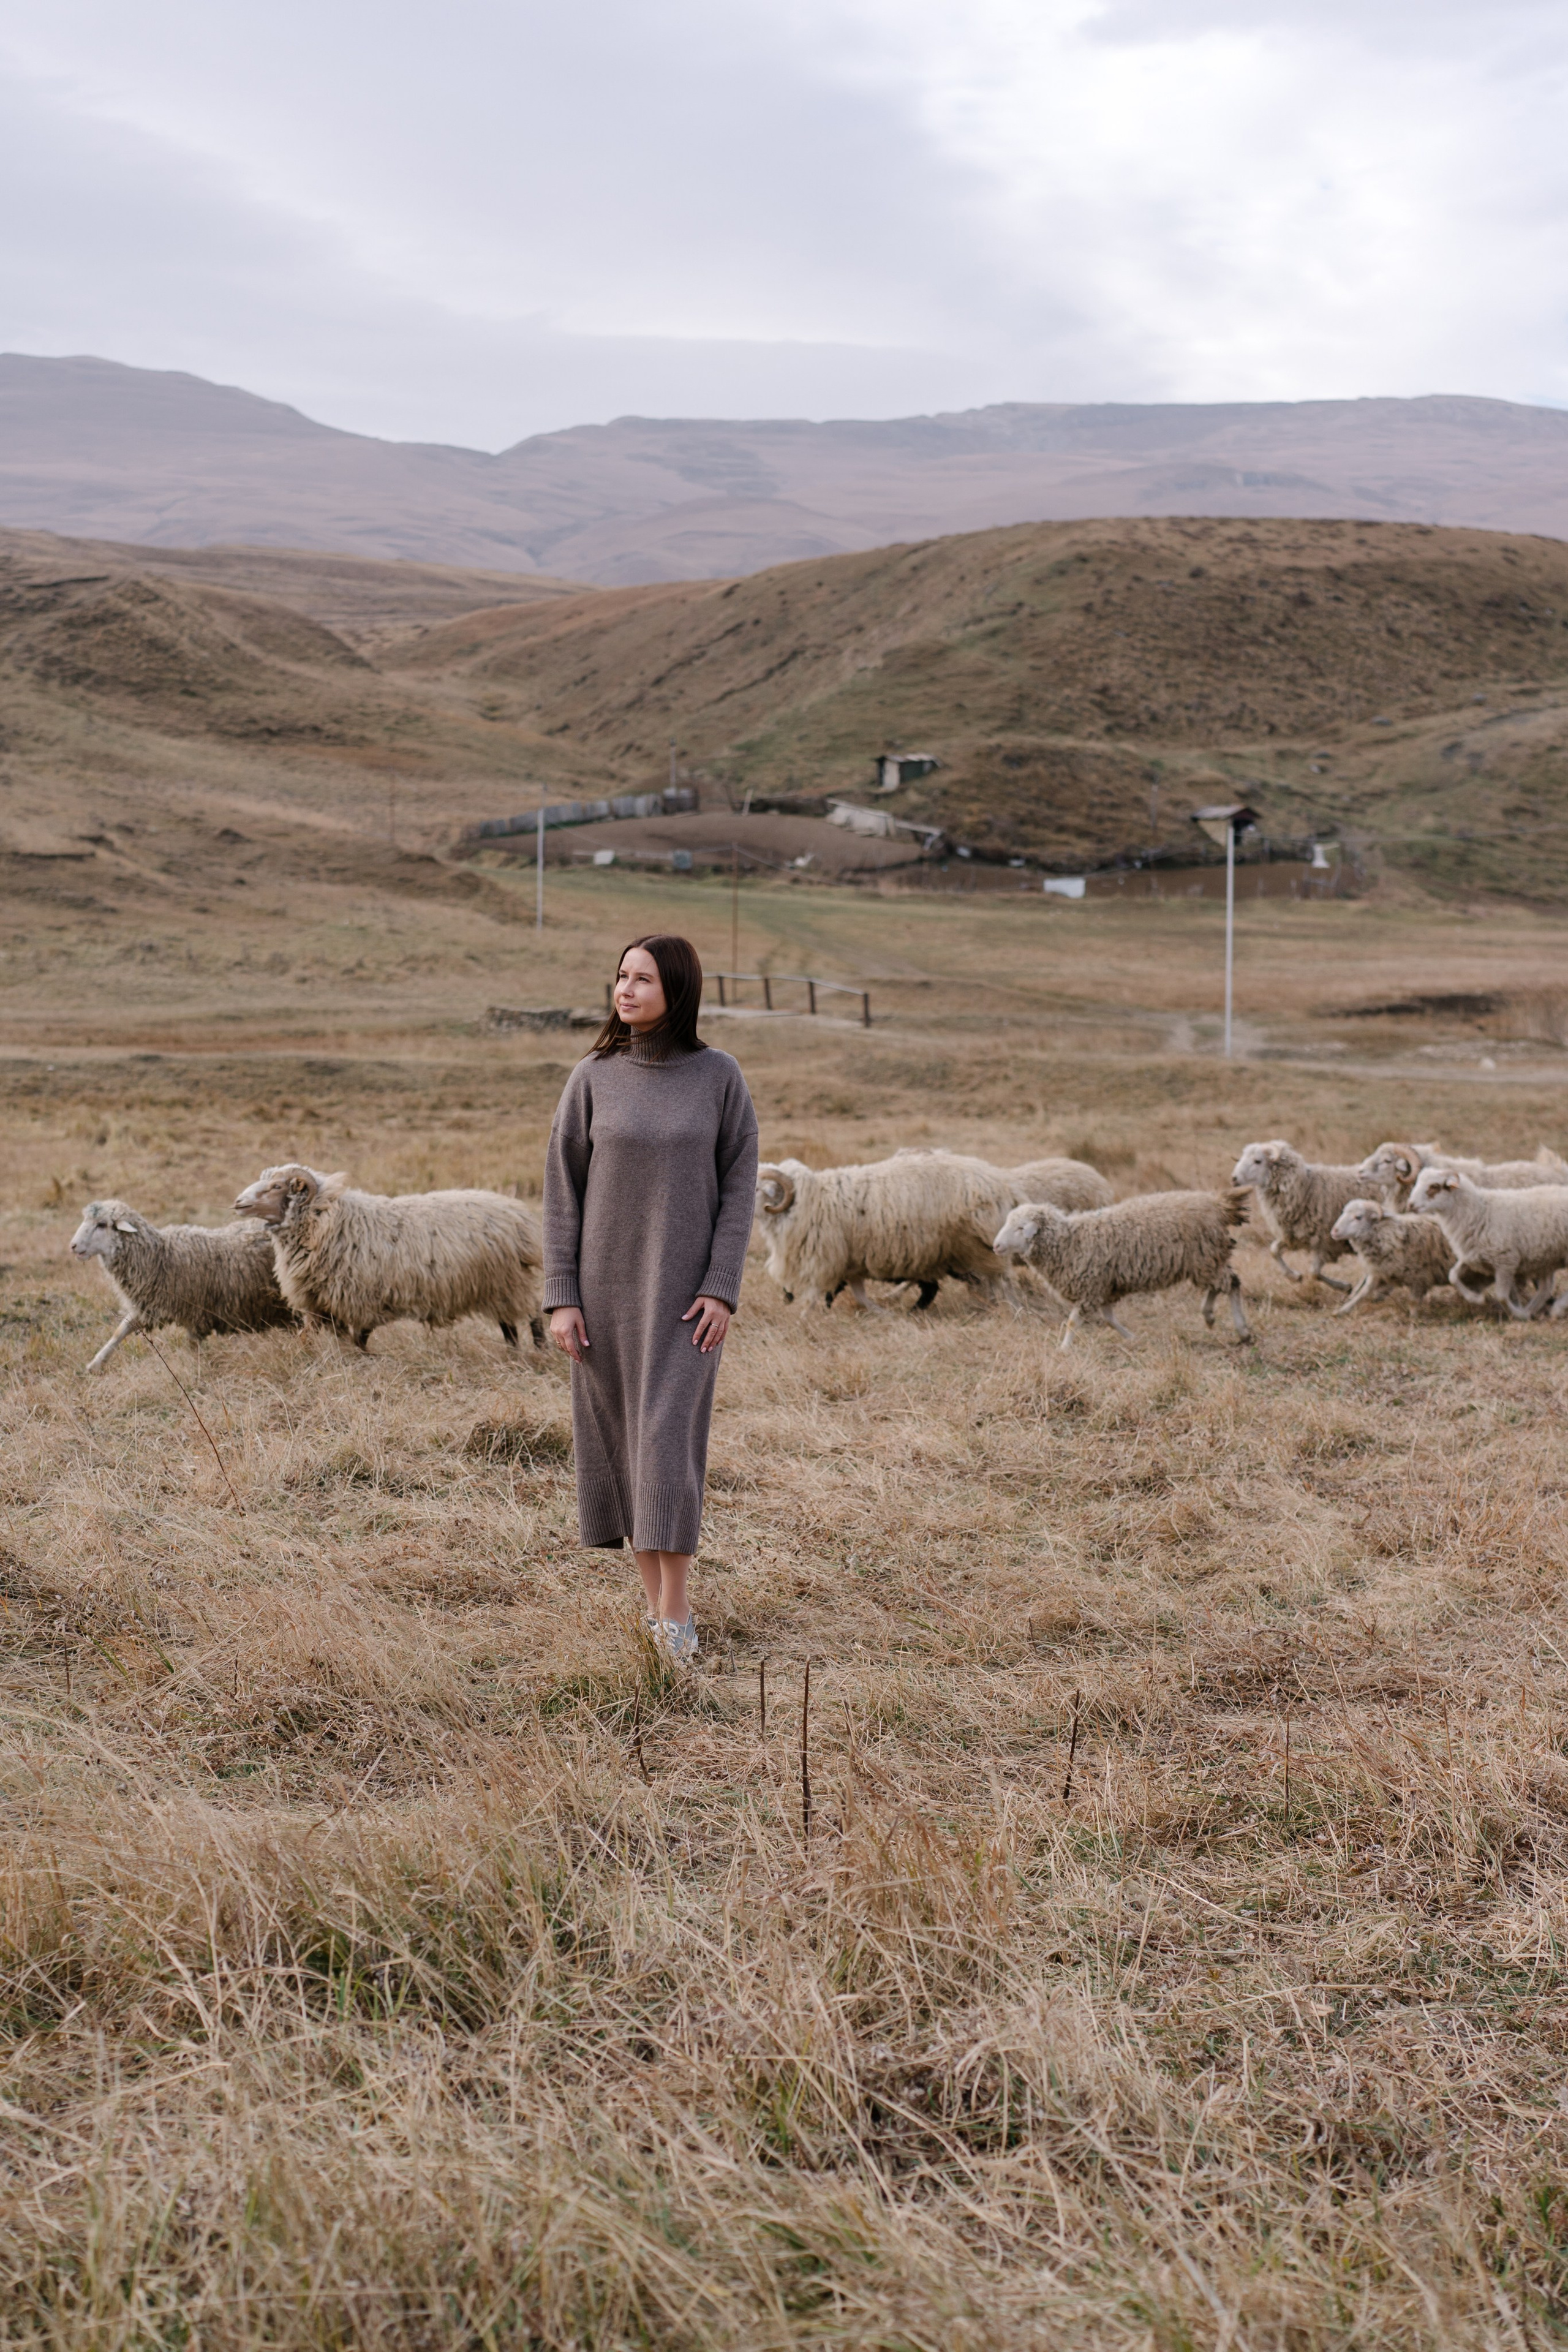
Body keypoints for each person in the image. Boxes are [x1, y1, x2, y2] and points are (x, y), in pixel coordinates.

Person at [543, 934, 759, 1663]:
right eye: (620, 976)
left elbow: (738, 1191)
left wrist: (721, 1288)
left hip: (686, 1305)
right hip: (603, 1301)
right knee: (624, 1451)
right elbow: (561, 1194)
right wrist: (561, 1297)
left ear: (678, 991)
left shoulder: (719, 1077)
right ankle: (660, 1614)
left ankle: (676, 1610)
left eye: (643, 979)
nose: (626, 990)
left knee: (667, 1445)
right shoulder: (592, 1077)